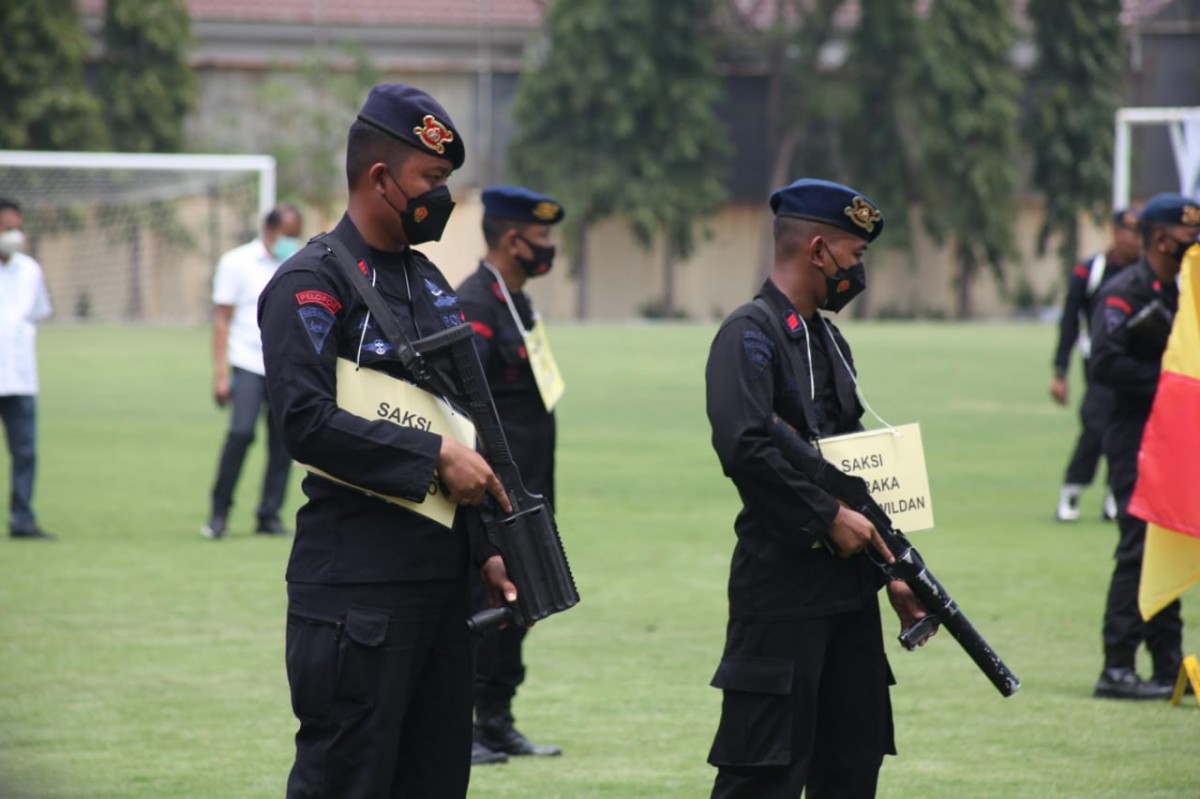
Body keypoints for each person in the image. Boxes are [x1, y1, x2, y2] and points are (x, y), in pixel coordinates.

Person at [257, 83, 517, 798]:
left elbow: (456, 417)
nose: (444, 197)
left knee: (434, 782)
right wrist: (432, 458)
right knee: (346, 783)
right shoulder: (311, 283)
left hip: (441, 590)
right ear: (380, 179)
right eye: (432, 180)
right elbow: (304, 420)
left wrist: (487, 545)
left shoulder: (426, 280)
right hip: (356, 597)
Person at [704, 178, 930, 798]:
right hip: (780, 593)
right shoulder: (747, 334)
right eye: (855, 258)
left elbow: (854, 470)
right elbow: (744, 447)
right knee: (763, 775)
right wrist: (826, 516)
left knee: (852, 767)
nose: (859, 273)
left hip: (848, 596)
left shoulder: (829, 340)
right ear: (818, 250)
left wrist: (896, 570)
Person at [456, 185, 566, 766]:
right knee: (489, 606)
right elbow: (464, 409)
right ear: (511, 239)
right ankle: (463, 727)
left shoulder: (518, 304)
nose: (549, 249)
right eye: (542, 239)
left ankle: (497, 721)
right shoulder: (475, 305)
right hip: (494, 494)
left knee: (524, 607)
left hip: (531, 489)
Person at [1089, 193, 1198, 701]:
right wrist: (1169, 381)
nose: (1194, 246)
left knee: (1169, 539)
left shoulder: (1188, 289)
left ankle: (1168, 666)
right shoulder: (1123, 292)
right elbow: (1106, 365)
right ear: (1161, 239)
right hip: (1134, 435)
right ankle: (1117, 666)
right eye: (1188, 238)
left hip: (1174, 436)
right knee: (1137, 545)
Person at [203, 203, 304, 539]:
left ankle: (268, 514)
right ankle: (219, 512)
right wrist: (220, 374)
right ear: (271, 230)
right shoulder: (237, 263)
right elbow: (221, 319)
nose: (293, 241)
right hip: (246, 362)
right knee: (241, 433)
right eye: (289, 234)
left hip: (284, 366)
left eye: (296, 235)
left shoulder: (298, 264)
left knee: (284, 442)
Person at [1050, 209, 1141, 522]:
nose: (1136, 239)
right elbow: (1070, 322)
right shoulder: (1091, 271)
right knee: (1096, 426)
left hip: (1139, 366)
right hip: (1101, 364)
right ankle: (1072, 491)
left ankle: (1115, 496)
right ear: (1115, 232)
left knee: (1131, 430)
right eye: (1130, 231)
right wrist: (1060, 371)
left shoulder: (1149, 273)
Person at [0, 198, 55, 541]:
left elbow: (37, 313)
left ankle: (22, 519)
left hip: (20, 378)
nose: (14, 235)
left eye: (18, 228)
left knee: (25, 452)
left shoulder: (30, 270)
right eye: (7, 229)